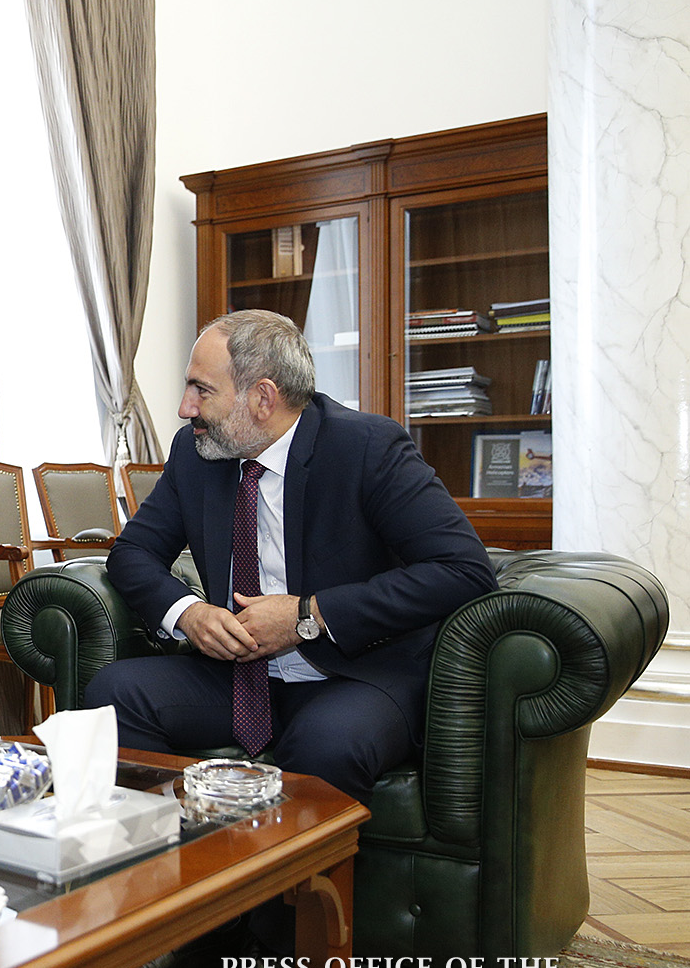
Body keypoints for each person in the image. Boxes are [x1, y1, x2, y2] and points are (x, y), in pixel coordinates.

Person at [84, 309, 497, 807]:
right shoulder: (196, 453)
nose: (184, 408)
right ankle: (172, 846)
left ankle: (305, 864)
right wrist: (189, 614)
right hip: (237, 674)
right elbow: (133, 551)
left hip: (355, 673)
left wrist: (308, 615)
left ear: (263, 398)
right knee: (115, 693)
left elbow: (464, 571)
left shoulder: (366, 447)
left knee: (325, 743)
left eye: (201, 390)